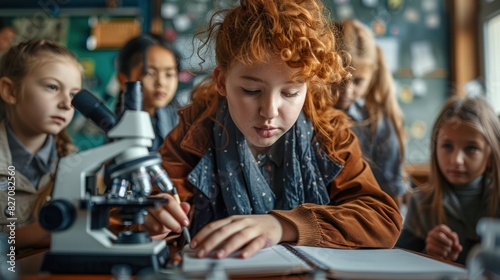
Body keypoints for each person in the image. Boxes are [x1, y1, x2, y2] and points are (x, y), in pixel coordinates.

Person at [142, 0, 402, 259]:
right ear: (222, 81)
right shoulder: (194, 133)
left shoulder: (330, 134)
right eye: (251, 91)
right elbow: (145, 211)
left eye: (290, 92)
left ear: (308, 86)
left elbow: (382, 220)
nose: (269, 111)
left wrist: (282, 225)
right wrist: (155, 221)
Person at [396, 96, 500, 264]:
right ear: (435, 147)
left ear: (491, 153)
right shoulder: (422, 203)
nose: (456, 160)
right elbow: (399, 262)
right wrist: (429, 253)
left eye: (471, 148)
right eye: (447, 146)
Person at [0, 39, 82, 251]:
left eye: (73, 94)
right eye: (52, 87)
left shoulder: (75, 163)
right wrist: (44, 231)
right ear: (10, 91)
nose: (66, 103)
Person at [331, 19, 408, 209]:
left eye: (357, 82)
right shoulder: (301, 118)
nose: (347, 92)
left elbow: (392, 197)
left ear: (372, 74)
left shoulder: (378, 124)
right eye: (338, 79)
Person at [114, 33, 180, 151]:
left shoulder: (180, 121)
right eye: (150, 73)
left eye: (169, 74)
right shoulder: (116, 127)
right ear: (123, 81)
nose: (161, 82)